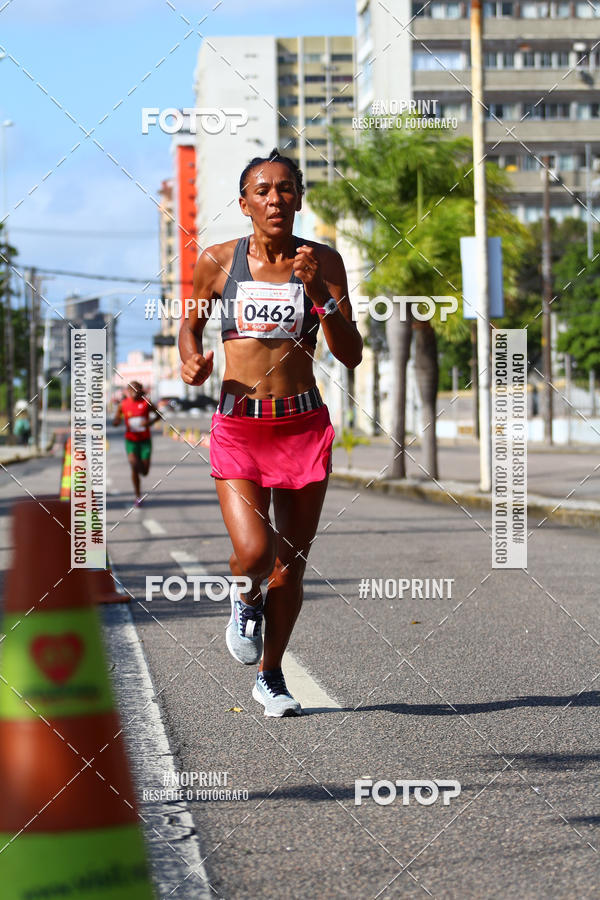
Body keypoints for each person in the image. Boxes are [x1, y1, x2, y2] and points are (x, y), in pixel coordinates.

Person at [179, 148, 362, 717]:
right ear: (244, 204)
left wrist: (322, 297)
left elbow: (351, 354)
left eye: (285, 189)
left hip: (303, 425)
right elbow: (190, 326)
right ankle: (243, 597)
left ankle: (271, 676)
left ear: (299, 199)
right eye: (262, 190)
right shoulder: (215, 261)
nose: (275, 198)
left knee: (292, 561)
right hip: (240, 426)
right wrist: (191, 361)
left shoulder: (324, 262)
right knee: (254, 552)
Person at [112, 381, 160, 506]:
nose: (133, 392)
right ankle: (138, 496)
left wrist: (149, 423)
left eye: (136, 389)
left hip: (145, 441)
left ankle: (140, 471)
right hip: (131, 440)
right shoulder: (123, 404)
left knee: (144, 471)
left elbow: (159, 415)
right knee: (133, 465)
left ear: (140, 390)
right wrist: (116, 421)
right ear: (128, 391)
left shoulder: (146, 403)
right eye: (130, 390)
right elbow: (116, 419)